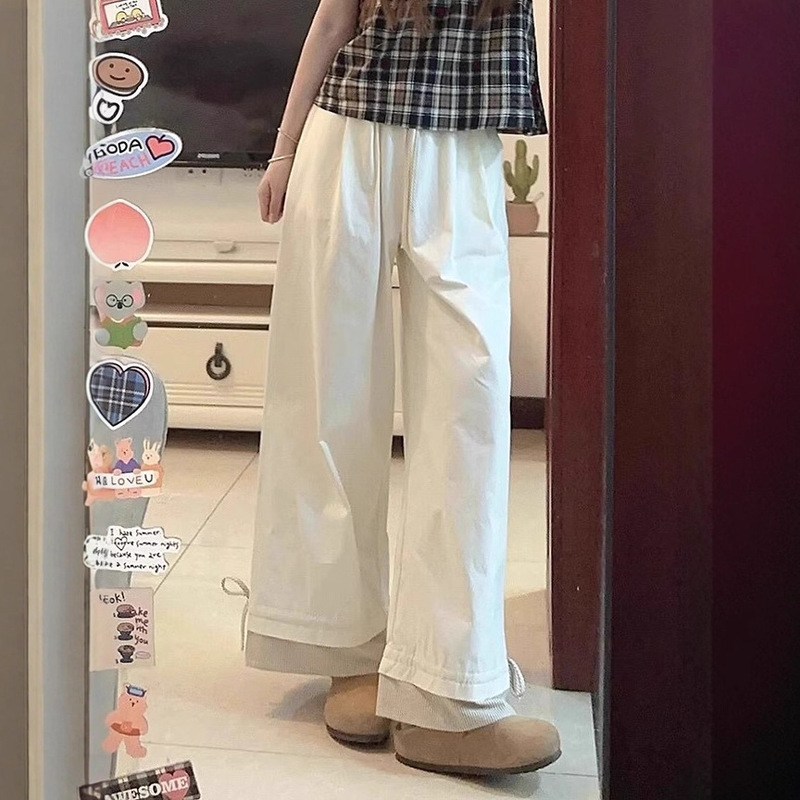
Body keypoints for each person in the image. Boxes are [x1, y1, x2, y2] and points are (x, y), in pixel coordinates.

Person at [246, 0, 560, 776]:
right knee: (328, 399)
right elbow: (333, 20)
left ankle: (446, 691)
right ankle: (347, 648)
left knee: (470, 403)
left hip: (461, 147)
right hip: (346, 138)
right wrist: (283, 151)